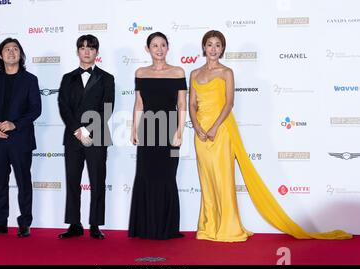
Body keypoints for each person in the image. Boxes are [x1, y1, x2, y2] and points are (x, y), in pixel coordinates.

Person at [189, 30, 352, 241]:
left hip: (221, 131)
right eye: (209, 44)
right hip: (200, 133)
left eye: (217, 45)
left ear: (222, 49)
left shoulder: (226, 72)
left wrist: (213, 128)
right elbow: (192, 104)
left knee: (223, 178)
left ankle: (227, 227)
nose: (213, 49)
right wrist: (197, 127)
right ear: (203, 47)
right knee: (206, 179)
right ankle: (209, 227)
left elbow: (229, 103)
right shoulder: (194, 74)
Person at [0, 38, 41, 238]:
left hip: (21, 139)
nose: (11, 52)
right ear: (0, 55)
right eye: (7, 49)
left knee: (23, 181)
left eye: (16, 49)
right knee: (0, 181)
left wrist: (15, 124)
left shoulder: (30, 80)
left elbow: (35, 110)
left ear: (20, 55)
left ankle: (25, 223)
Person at [129, 32, 187, 239]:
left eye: (163, 45)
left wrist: (180, 131)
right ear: (147, 49)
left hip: (170, 130)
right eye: (154, 45)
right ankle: (146, 227)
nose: (159, 49)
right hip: (147, 130)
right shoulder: (141, 73)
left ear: (168, 47)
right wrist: (133, 129)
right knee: (146, 175)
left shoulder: (178, 72)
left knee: (167, 176)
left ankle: (167, 228)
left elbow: (182, 104)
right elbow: (139, 104)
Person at [57, 34, 115, 240]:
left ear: (97, 52)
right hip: (73, 137)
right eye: (82, 48)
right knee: (72, 180)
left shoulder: (107, 78)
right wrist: (77, 130)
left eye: (91, 48)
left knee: (98, 181)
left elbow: (107, 109)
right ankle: (74, 224)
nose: (87, 51)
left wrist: (88, 130)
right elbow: (63, 107)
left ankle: (95, 224)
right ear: (77, 51)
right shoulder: (67, 78)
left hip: (97, 136)